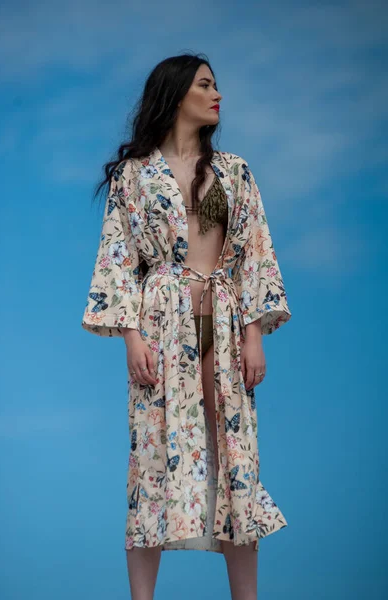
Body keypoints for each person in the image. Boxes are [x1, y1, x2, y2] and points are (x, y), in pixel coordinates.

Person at [81, 53, 292, 600]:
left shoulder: (235, 171)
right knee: (151, 459)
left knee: (236, 461)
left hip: (223, 321)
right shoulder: (135, 175)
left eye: (216, 85)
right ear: (176, 95)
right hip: (161, 323)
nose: (217, 94)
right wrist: (131, 335)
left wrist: (254, 335)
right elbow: (118, 258)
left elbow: (254, 256)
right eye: (205, 85)